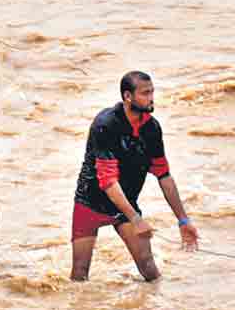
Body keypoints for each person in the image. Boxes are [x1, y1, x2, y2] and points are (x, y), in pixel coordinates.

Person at [71, 71, 199, 281]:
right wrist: (136, 218)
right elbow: (108, 182)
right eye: (145, 93)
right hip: (90, 202)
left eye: (152, 92)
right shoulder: (105, 124)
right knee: (79, 274)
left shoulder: (152, 128)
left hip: (125, 205)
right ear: (128, 96)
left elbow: (164, 176)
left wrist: (183, 220)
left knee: (149, 270)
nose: (151, 98)